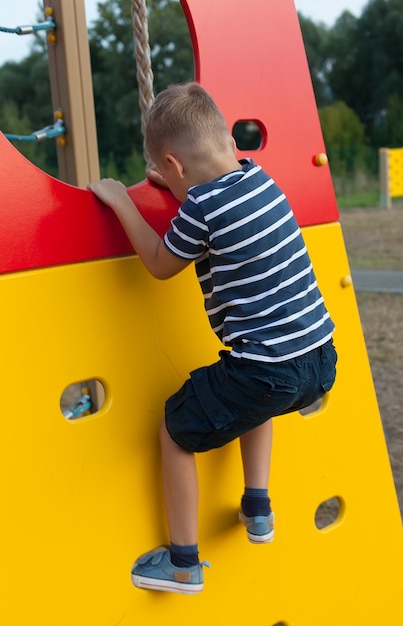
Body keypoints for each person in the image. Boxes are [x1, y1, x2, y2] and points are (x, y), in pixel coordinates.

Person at [88, 82, 337, 595]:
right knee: (256, 394)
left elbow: (160, 264)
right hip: (318, 357)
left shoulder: (200, 209)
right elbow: (207, 193)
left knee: (175, 431)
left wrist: (121, 201)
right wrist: (174, 180)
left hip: (266, 371)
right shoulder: (261, 179)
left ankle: (181, 566)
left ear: (173, 167)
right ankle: (258, 508)